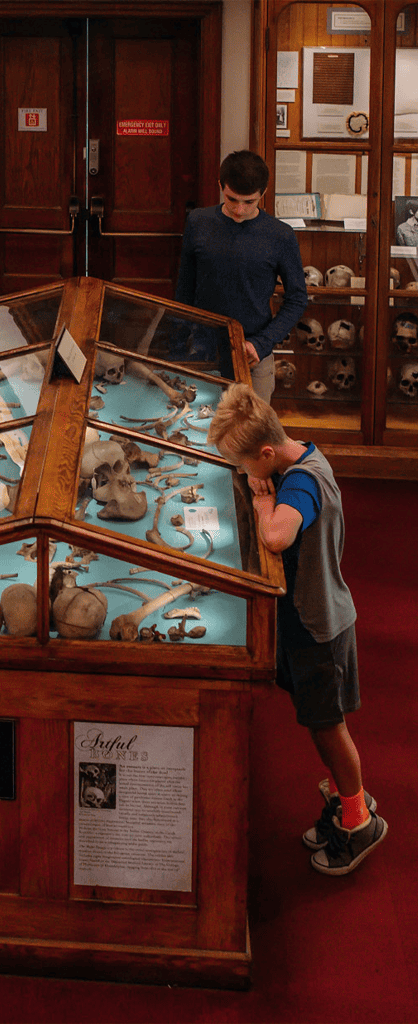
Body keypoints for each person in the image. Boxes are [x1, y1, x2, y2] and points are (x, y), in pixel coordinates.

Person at [207, 383, 387, 875]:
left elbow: (277, 535)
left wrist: (264, 506)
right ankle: (349, 801)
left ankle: (358, 819)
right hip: (311, 618)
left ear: (267, 451)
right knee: (317, 722)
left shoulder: (301, 484)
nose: (246, 475)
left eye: (246, 465)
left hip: (318, 627)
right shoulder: (300, 456)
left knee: (329, 727)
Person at [175, 150, 307, 403]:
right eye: (232, 199)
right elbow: (185, 286)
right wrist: (177, 344)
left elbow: (297, 298)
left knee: (251, 435)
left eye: (249, 202)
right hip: (201, 350)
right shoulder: (198, 221)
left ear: (263, 193)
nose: (239, 210)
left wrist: (262, 342)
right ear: (220, 186)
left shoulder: (280, 235)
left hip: (252, 352)